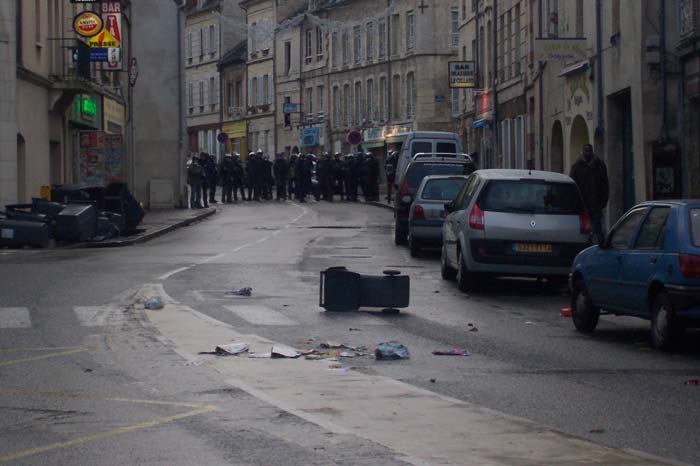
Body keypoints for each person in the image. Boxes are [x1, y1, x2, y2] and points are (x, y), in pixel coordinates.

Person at [570, 143, 609, 243]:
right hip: (582, 205)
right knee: (584, 233)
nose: (588, 153)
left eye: (589, 151)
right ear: (583, 152)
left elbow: (604, 184)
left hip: (596, 204)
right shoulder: (576, 167)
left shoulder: (600, 166)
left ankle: (598, 245)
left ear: (592, 152)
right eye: (586, 151)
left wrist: (603, 201)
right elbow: (573, 186)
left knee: (598, 232)